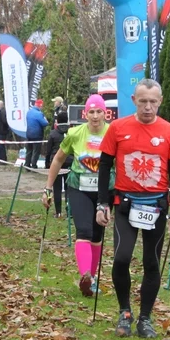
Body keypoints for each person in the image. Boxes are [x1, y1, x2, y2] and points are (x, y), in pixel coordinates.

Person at [95, 79, 170, 339]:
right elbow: (104, 167)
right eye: (142, 101)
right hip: (125, 204)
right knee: (121, 258)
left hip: (156, 206)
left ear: (160, 101)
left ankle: (145, 318)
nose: (148, 107)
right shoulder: (118, 128)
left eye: (152, 102)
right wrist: (102, 203)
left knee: (151, 263)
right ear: (134, 100)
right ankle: (125, 311)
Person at [42, 95, 113, 297]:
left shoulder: (112, 133)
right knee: (84, 230)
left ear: (105, 113)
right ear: (85, 114)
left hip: (104, 191)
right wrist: (48, 188)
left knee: (97, 235)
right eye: (91, 112)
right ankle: (86, 277)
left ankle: (93, 278)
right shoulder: (74, 133)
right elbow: (57, 160)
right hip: (78, 187)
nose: (95, 116)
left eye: (99, 111)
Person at [43, 108, 72, 219]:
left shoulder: (53, 134)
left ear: (57, 121)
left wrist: (47, 163)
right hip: (70, 162)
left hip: (57, 164)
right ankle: (70, 212)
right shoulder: (71, 132)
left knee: (57, 189)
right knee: (69, 188)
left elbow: (48, 150)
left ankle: (58, 212)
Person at [25, 99, 49, 168]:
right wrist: (46, 120)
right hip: (37, 135)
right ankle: (34, 165)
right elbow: (44, 123)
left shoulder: (29, 112)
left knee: (29, 150)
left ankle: (27, 164)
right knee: (36, 151)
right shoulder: (39, 114)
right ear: (40, 106)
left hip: (29, 134)